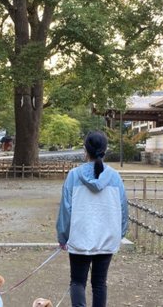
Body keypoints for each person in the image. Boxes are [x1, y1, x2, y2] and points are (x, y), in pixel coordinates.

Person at [56, 131, 128, 307]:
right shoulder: (115, 177)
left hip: (80, 237)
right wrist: (119, 234)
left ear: (84, 150)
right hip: (106, 238)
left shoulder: (74, 175)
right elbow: (123, 209)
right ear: (106, 150)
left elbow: (66, 209)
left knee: (77, 282)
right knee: (99, 283)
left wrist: (63, 236)